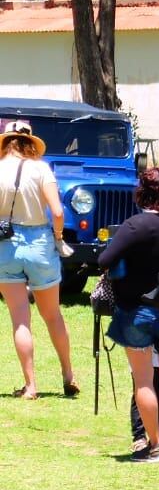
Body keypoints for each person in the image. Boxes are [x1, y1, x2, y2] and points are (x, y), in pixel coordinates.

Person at [97, 168, 159, 461]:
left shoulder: (135, 225)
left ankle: (153, 444)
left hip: (136, 310)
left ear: (143, 192)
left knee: (143, 380)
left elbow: (105, 259)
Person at [0, 120, 78, 400]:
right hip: (40, 242)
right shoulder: (42, 169)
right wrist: (57, 236)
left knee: (20, 319)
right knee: (53, 315)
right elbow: (57, 211)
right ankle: (68, 374)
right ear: (31, 143)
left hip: (5, 244)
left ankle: (30, 385)